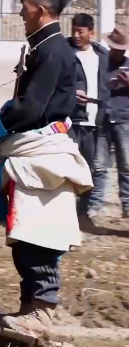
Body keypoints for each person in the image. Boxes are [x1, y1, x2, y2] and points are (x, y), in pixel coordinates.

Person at [0, 0, 93, 337]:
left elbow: (31, 109)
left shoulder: (53, 50)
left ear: (38, 10)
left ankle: (40, 313)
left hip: (43, 156)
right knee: (25, 235)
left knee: (38, 235)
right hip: (34, 153)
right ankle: (29, 310)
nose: (20, 15)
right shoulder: (47, 48)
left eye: (24, 9)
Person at [68, 13, 109, 218]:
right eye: (74, 30)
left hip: (95, 120)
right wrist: (72, 94)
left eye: (80, 31)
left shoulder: (102, 56)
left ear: (91, 33)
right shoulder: (65, 54)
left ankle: (83, 210)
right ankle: (66, 208)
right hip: (71, 120)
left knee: (90, 168)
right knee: (68, 165)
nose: (76, 35)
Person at [86, 28, 129, 220]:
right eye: (115, 48)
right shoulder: (102, 63)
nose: (118, 51)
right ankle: (95, 205)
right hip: (104, 118)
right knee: (99, 166)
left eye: (121, 48)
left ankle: (127, 205)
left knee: (126, 166)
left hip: (124, 120)